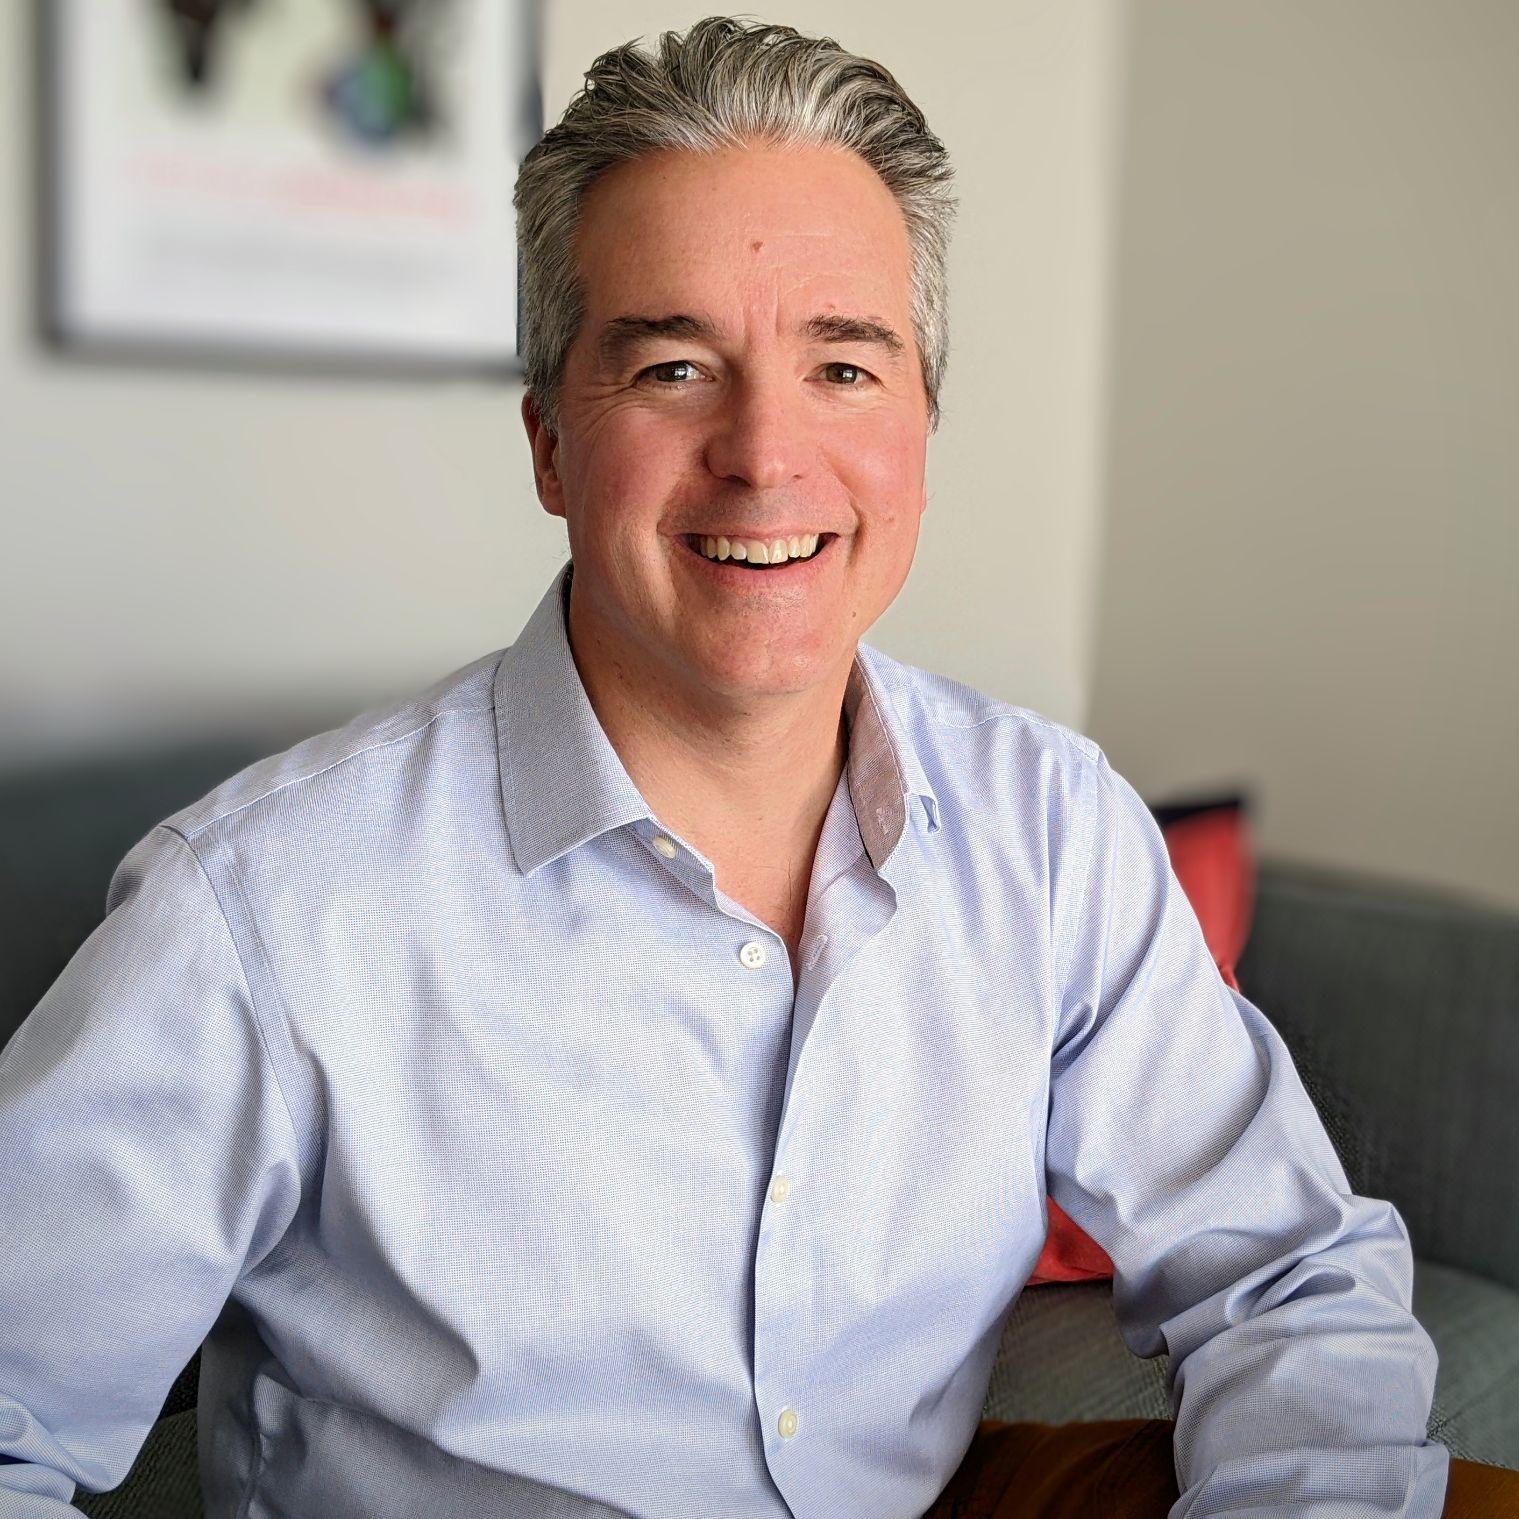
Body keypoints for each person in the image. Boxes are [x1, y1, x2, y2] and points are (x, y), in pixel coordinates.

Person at [2, 15, 1514, 1518]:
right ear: (548, 445)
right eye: (671, 368)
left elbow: (1288, 1276)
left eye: (845, 367)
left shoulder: (1053, 829)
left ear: (925, 422)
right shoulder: (263, 912)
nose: (765, 452)